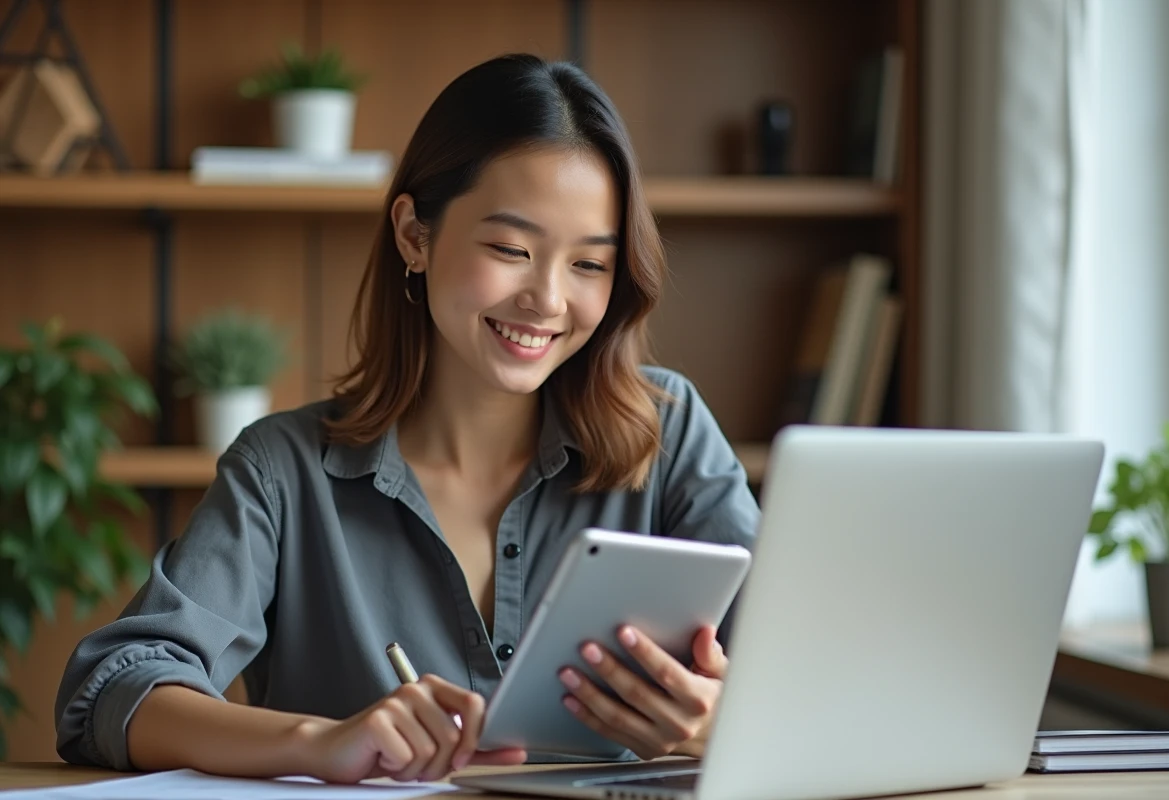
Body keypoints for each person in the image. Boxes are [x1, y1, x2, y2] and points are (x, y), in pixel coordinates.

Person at [54, 53, 760, 784]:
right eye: (510, 249)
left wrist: (716, 724)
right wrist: (318, 743)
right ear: (414, 235)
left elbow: (818, 675)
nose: (548, 300)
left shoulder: (666, 435)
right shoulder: (284, 471)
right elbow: (111, 687)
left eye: (589, 265)